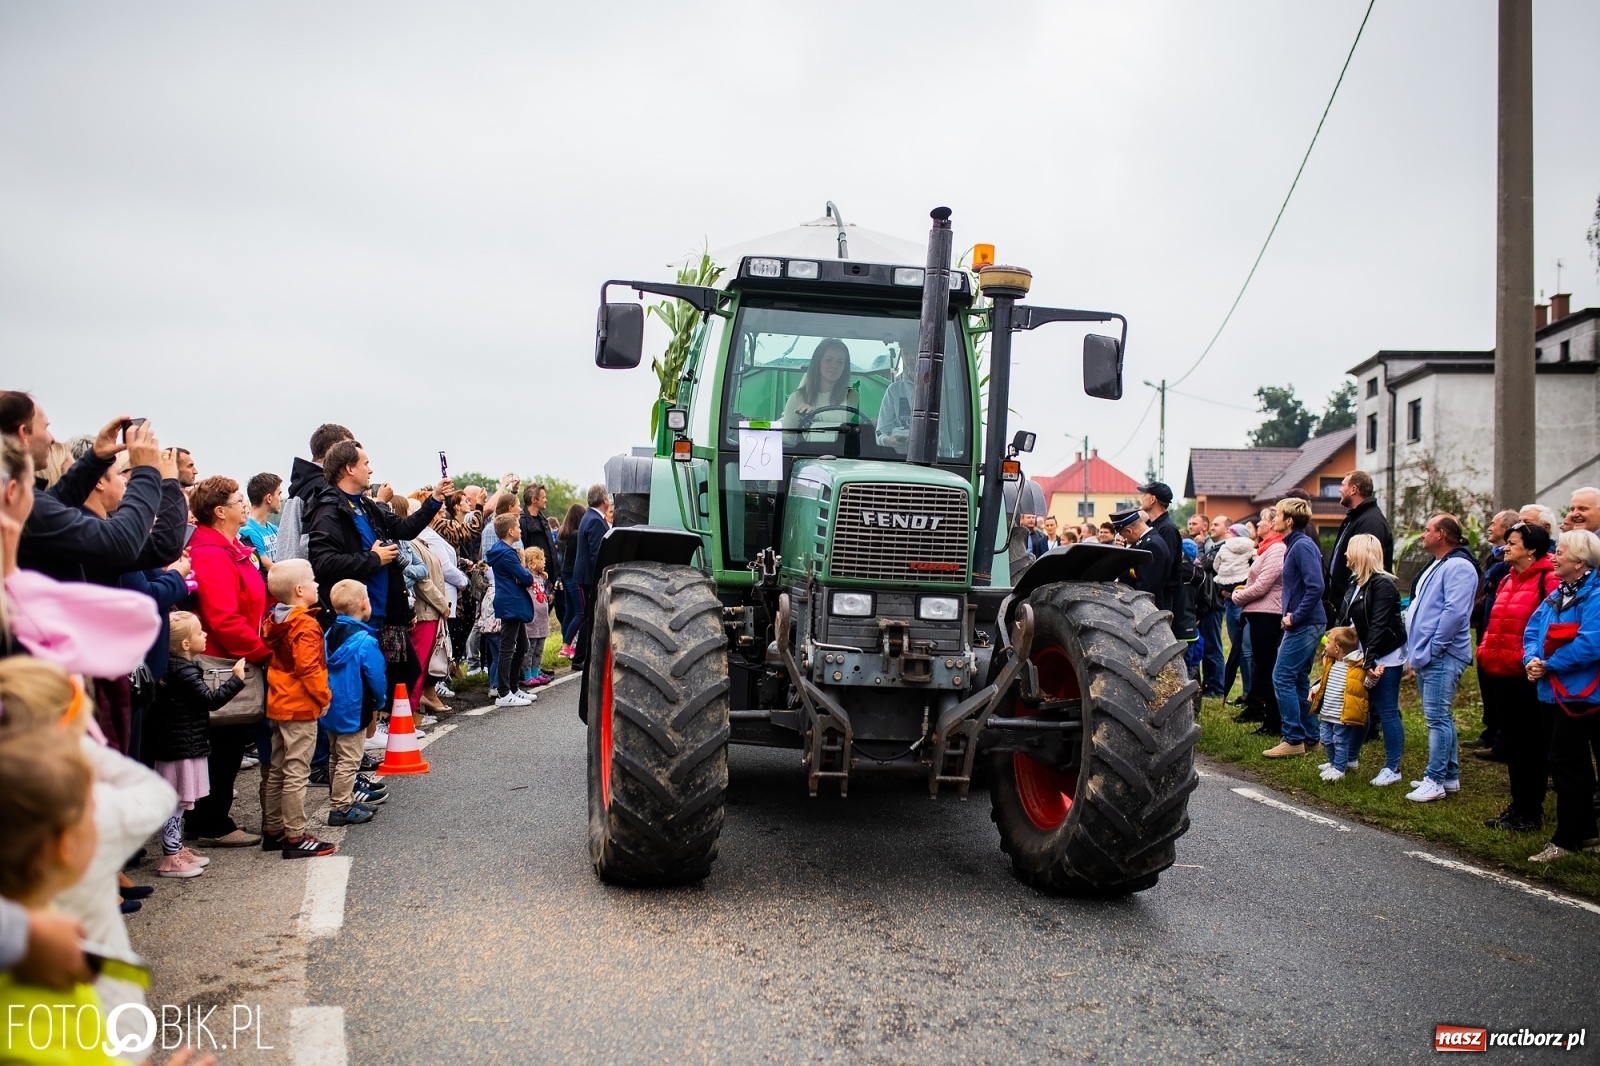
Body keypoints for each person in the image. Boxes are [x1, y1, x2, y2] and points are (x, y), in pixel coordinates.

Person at [185, 476, 272, 848]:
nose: (243, 505)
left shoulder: (230, 547)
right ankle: (210, 821)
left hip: (236, 652)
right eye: (237, 500)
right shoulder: (210, 554)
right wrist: (263, 652)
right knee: (223, 742)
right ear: (220, 512)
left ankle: (210, 816)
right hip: (222, 658)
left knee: (230, 741)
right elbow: (223, 617)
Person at [1522, 528, 1600, 862]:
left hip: (1579, 693)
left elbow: (1591, 642)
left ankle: (1565, 840)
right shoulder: (1558, 592)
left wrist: (1550, 664)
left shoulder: (1594, 595)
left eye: (1562, 552)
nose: (1554, 556)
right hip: (1550, 691)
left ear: (1581, 561)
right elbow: (1532, 629)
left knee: (1566, 762)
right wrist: (1530, 660)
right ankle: (1586, 834)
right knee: (1571, 763)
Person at [146, 612, 244, 878]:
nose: (205, 635)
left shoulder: (174, 668)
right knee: (176, 802)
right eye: (200, 632)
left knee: (179, 801)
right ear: (186, 645)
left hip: (181, 744)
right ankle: (170, 856)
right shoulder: (184, 670)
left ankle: (175, 848)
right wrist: (236, 679)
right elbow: (210, 700)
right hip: (179, 747)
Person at [1475, 522, 1556, 830]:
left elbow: (1549, 626)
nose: (1506, 547)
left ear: (1531, 548)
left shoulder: (1546, 580)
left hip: (1526, 675)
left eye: (1513, 542)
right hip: (1500, 672)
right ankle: (1518, 806)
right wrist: (1484, 651)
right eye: (1506, 541)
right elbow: (1494, 622)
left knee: (1530, 745)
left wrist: (1538, 661)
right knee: (1514, 744)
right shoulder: (1509, 579)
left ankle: (1531, 811)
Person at [260, 558, 337, 858]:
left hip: (278, 701)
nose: (318, 585)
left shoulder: (275, 620)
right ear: (300, 589)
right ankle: (295, 835)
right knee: (296, 771)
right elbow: (309, 667)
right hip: (300, 705)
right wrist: (324, 696)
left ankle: (274, 828)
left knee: (277, 767)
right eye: (314, 581)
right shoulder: (304, 623)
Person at [1403, 513, 1480, 802]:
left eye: (1428, 529)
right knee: (1438, 717)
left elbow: (1455, 612)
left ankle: (1434, 780)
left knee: (1437, 718)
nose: (1423, 534)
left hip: (1442, 654)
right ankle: (1449, 776)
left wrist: (1434, 646)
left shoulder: (1458, 566)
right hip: (1428, 653)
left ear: (1443, 535)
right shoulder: (1439, 564)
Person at [1262, 497, 1326, 758]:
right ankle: (1311, 738)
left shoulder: (1301, 546)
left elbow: (1316, 586)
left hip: (1306, 622)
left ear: (1289, 520)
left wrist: (1294, 616)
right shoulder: (1294, 545)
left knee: (1282, 677)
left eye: (1277, 515)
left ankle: (1293, 739)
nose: (1273, 519)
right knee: (1299, 679)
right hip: (1305, 621)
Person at [1341, 533, 1407, 787]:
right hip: (1364, 654)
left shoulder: (1383, 585)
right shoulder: (1355, 582)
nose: (1346, 555)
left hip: (1384, 656)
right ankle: (1350, 758)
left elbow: (1378, 625)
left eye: (1349, 550)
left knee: (1387, 709)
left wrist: (1369, 662)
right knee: (1360, 706)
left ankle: (1393, 767)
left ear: (1360, 553)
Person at [324, 580, 389, 827]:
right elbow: (375, 676)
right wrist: (380, 700)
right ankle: (341, 807)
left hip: (331, 704)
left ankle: (341, 798)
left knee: (335, 756)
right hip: (355, 704)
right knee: (350, 759)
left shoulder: (329, 634)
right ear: (364, 604)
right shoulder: (365, 641)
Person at [1471, 509, 1522, 758]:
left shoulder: (1506, 565)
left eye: (1494, 524)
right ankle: (1491, 731)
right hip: (1489, 630)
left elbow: (1493, 577)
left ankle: (1503, 740)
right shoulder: (1494, 558)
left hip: (1510, 640)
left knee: (1503, 691)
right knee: (1488, 686)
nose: (1489, 527)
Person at [1233, 507, 1286, 736]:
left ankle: (1274, 723)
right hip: (1260, 613)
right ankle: (1270, 718)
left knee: (1267, 669)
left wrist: (1238, 596)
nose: (1257, 524)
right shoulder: (1267, 548)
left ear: (1272, 524)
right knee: (1263, 667)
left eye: (1262, 520)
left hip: (1268, 615)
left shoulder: (1276, 549)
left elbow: (1264, 584)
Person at [1324, 470, 1393, 621]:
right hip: (1343, 605)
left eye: (1343, 485)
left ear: (1353, 489)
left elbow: (1366, 569)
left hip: (1357, 610)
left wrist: (1351, 603)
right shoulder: (1353, 519)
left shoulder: (1370, 522)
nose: (1339, 490)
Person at [487, 513, 535, 707]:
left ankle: (514, 688)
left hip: (511, 601)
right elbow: (527, 578)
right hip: (511, 602)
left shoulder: (503, 551)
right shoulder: (507, 554)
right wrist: (523, 572)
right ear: (510, 531)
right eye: (518, 526)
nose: (521, 529)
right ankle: (503, 692)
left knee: (522, 646)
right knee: (508, 647)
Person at [1310, 626, 1367, 780]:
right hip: (1328, 711)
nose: (1324, 646)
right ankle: (1332, 762)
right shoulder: (1331, 663)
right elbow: (1325, 680)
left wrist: (1373, 677)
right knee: (1326, 739)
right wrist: (1315, 688)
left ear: (1337, 648)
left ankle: (1339, 768)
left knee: (1340, 741)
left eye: (1327, 643)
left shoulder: (1356, 667)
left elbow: (1364, 684)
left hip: (1341, 714)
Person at [782, 338, 859, 439]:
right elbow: (788, 437)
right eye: (828, 360)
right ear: (817, 362)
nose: (834, 365)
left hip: (841, 453)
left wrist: (813, 414)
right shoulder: (797, 397)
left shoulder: (851, 395)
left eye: (840, 362)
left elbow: (841, 418)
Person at [1215, 521, 1255, 703]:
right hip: (1232, 601)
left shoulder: (1226, 549)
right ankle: (1246, 692)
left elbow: (1216, 568)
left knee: (1245, 650)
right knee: (1240, 649)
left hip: (1239, 603)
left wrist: (1224, 590)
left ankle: (1249, 693)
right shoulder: (1251, 550)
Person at [572, 485, 611, 674]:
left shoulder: (590, 517)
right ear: (605, 500)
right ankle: (580, 658)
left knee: (589, 616)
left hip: (585, 574)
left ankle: (581, 657)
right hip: (589, 576)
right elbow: (598, 552)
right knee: (589, 617)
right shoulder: (595, 521)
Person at [1194, 514, 1230, 697]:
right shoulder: (1215, 547)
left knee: (1213, 647)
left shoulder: (1224, 548)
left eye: (1216, 524)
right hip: (1208, 602)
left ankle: (1217, 687)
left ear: (1226, 528)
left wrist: (1200, 545)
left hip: (1214, 602)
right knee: (1207, 646)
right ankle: (1210, 684)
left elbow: (1203, 563)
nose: (1212, 527)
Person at [1136, 481, 1184, 617]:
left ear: (1152, 499)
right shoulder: (1153, 526)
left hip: (1158, 598)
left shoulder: (1167, 529)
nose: (1142, 497)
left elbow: (1163, 568)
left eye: (1145, 494)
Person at [1110, 508, 1171, 610]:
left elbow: (1147, 587)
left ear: (1129, 531)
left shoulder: (1151, 545)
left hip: (1146, 608)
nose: (1125, 539)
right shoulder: (1145, 542)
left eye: (1123, 535)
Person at [557, 503, 585, 656]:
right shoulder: (576, 535)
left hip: (565, 573)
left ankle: (564, 642)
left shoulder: (563, 533)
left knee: (570, 611)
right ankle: (567, 645)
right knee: (580, 611)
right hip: (574, 574)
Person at [241, 471, 283, 570]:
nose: (281, 499)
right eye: (279, 494)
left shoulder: (273, 528)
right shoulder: (247, 531)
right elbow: (269, 567)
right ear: (269, 498)